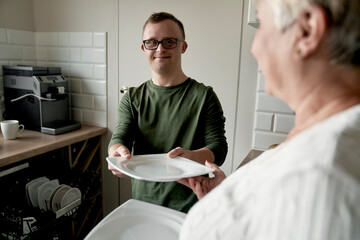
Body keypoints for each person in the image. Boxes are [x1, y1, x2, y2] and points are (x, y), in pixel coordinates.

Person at [178, 0, 360, 239]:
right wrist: (226, 195)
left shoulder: (322, 178)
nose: (254, 48)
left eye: (262, 23)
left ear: (307, 30)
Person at [108, 12, 228, 213]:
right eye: (152, 42)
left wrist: (191, 156)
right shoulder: (132, 98)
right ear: (143, 48)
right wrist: (116, 153)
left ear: (183, 46)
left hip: (192, 205)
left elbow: (218, 147)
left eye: (169, 42)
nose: (160, 49)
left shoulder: (204, 96)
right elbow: (120, 136)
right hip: (143, 204)